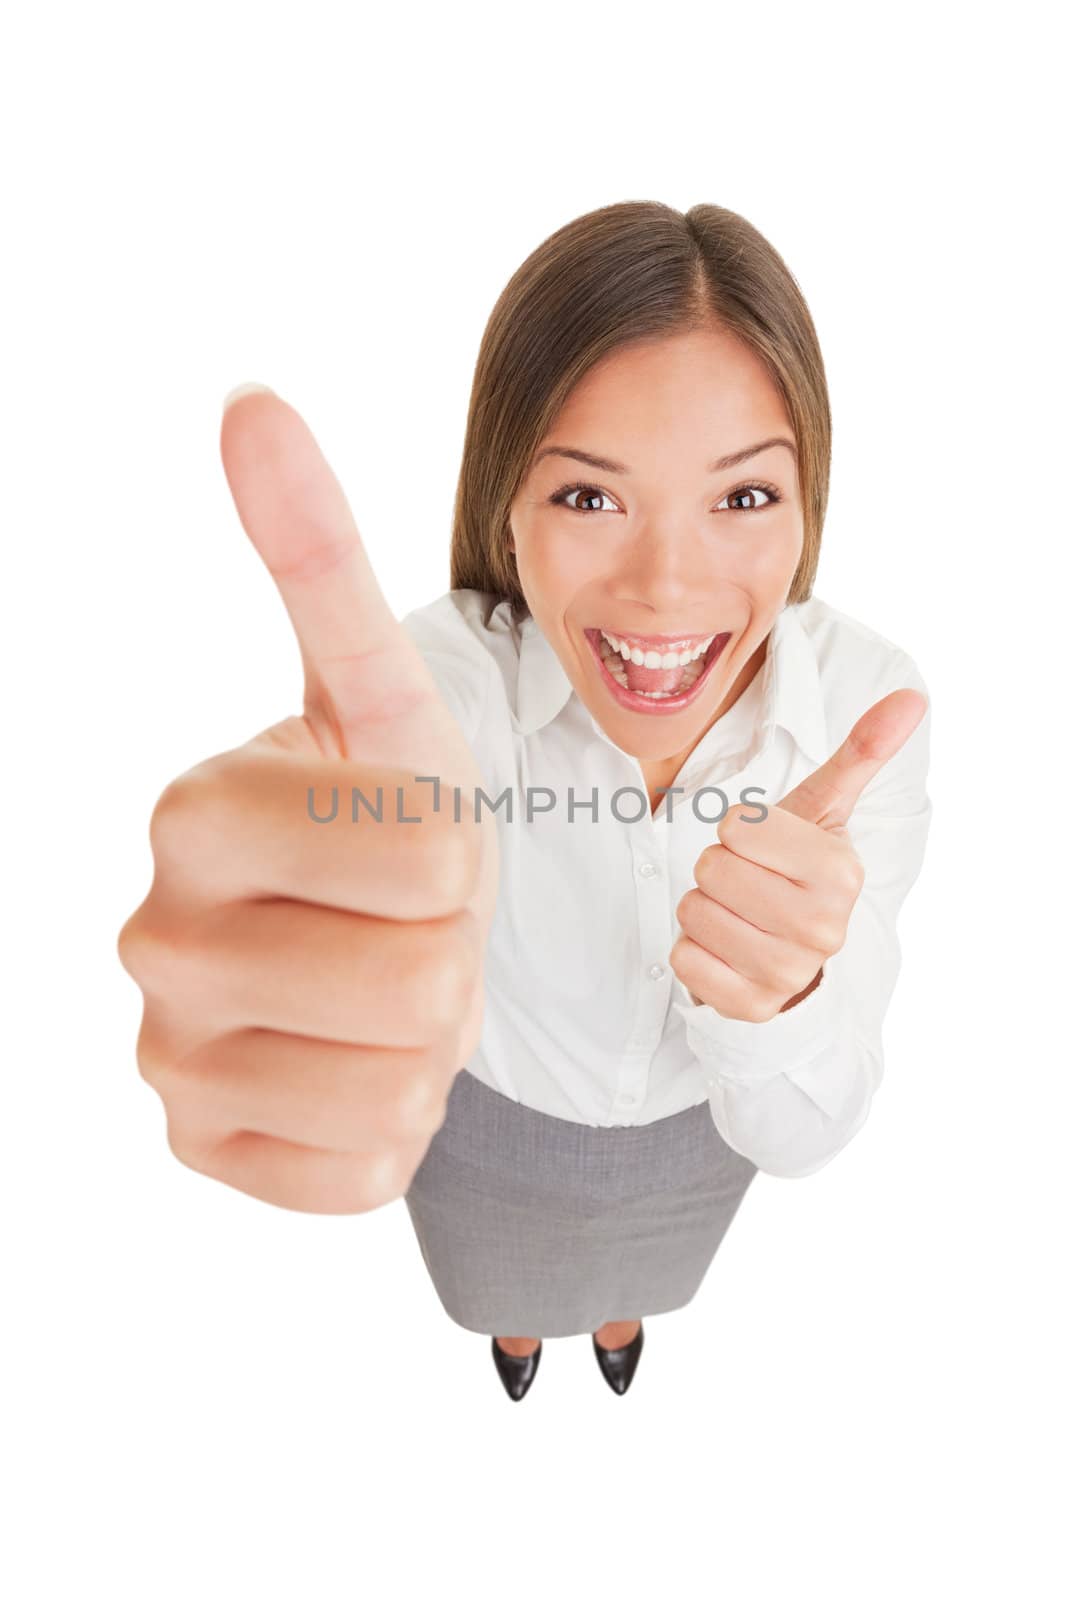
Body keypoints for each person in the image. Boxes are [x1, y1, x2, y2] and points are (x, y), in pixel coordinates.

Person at [117, 200, 932, 1404]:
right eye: (589, 498)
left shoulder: (866, 706)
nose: (665, 586)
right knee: (497, 1289)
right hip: (491, 1128)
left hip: (697, 1139)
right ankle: (513, 1332)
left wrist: (782, 1001)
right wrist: (290, 891)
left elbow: (800, 1135)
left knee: (638, 1274)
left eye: (742, 498)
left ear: (807, 499)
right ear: (506, 503)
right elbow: (375, 790)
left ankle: (613, 1316)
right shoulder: (442, 688)